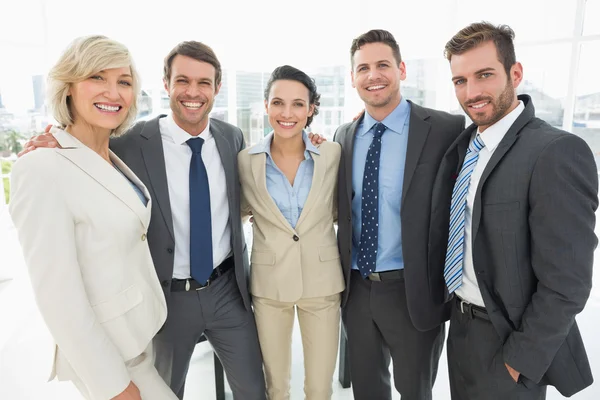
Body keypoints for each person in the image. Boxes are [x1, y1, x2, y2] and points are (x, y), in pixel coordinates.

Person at [19, 40, 267, 399]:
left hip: (228, 289)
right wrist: (53, 139)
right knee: (167, 388)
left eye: (204, 83)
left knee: (253, 388)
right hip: (167, 299)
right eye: (182, 80)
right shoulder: (131, 144)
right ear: (165, 84)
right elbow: (83, 154)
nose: (193, 92)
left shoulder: (232, 137)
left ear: (217, 88)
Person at [430, 22, 597, 399]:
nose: (471, 92)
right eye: (460, 80)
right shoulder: (465, 145)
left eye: (484, 75)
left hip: (510, 341)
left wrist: (520, 358)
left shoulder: (555, 152)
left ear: (515, 73)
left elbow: (568, 281)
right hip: (462, 327)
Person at [9, 35, 178, 400]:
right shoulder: (41, 168)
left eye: (124, 82)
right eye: (97, 77)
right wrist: (114, 387)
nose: (113, 92)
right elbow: (59, 298)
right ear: (68, 87)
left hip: (138, 341)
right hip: (110, 359)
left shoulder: (109, 156)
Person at [333, 29, 465, 400]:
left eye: (382, 65)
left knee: (415, 391)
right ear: (353, 78)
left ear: (402, 69)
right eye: (363, 68)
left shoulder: (445, 129)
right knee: (367, 391)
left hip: (414, 289)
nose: (373, 75)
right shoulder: (343, 136)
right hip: (356, 290)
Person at [238, 65, 344, 400]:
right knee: (276, 386)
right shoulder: (245, 161)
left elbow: (341, 211)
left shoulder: (332, 153)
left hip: (322, 282)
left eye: (298, 104)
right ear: (266, 105)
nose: (287, 113)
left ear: (311, 109)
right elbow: (238, 211)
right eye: (278, 103)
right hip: (270, 286)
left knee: (318, 387)